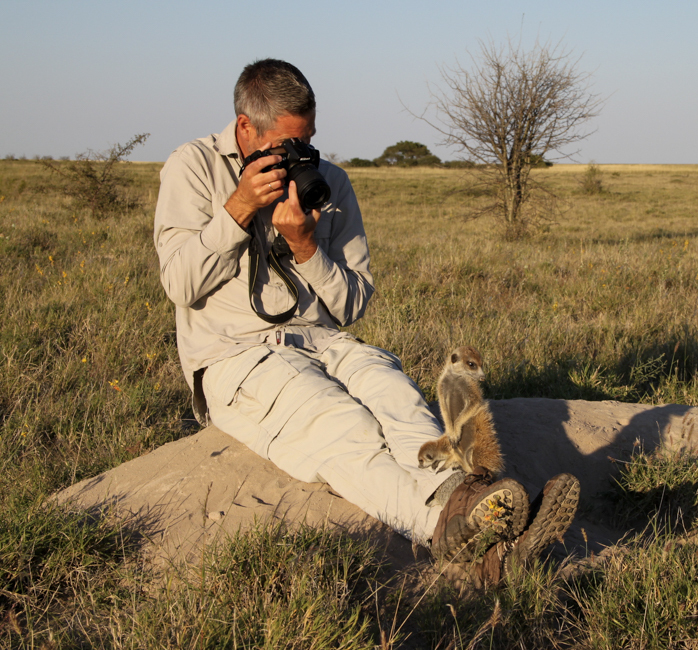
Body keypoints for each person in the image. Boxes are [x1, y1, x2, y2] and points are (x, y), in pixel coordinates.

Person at [153, 58, 578, 583]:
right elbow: (180, 284)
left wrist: (308, 248)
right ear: (246, 128)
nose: (301, 156)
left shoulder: (327, 182)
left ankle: (471, 502)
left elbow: (353, 306)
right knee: (341, 423)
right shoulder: (192, 167)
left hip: (323, 340)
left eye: (308, 140)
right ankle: (468, 538)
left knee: (394, 393)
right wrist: (238, 209)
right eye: (286, 144)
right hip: (236, 354)